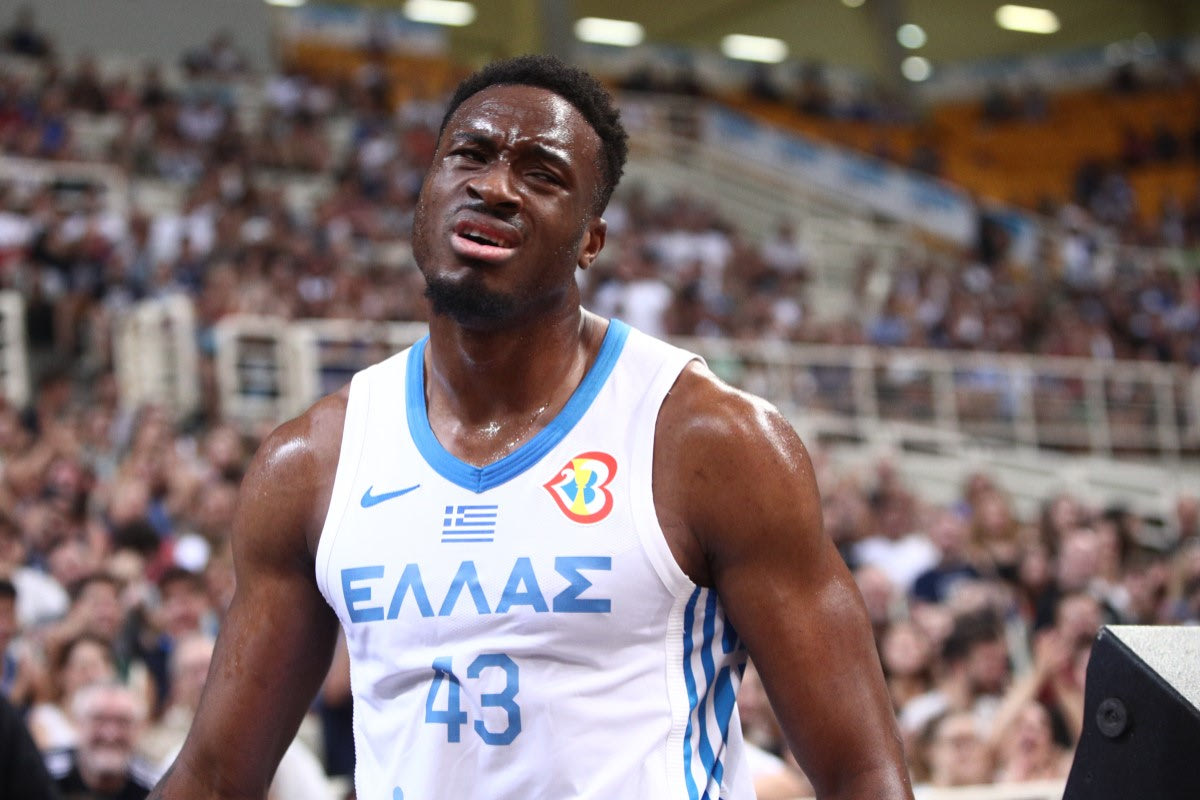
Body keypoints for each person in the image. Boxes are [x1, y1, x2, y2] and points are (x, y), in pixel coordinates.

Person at [150, 55, 911, 799]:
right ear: (425, 196)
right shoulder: (312, 460)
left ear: (590, 241)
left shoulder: (713, 443)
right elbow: (215, 777)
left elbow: (862, 775)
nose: (494, 186)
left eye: (542, 174)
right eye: (469, 156)